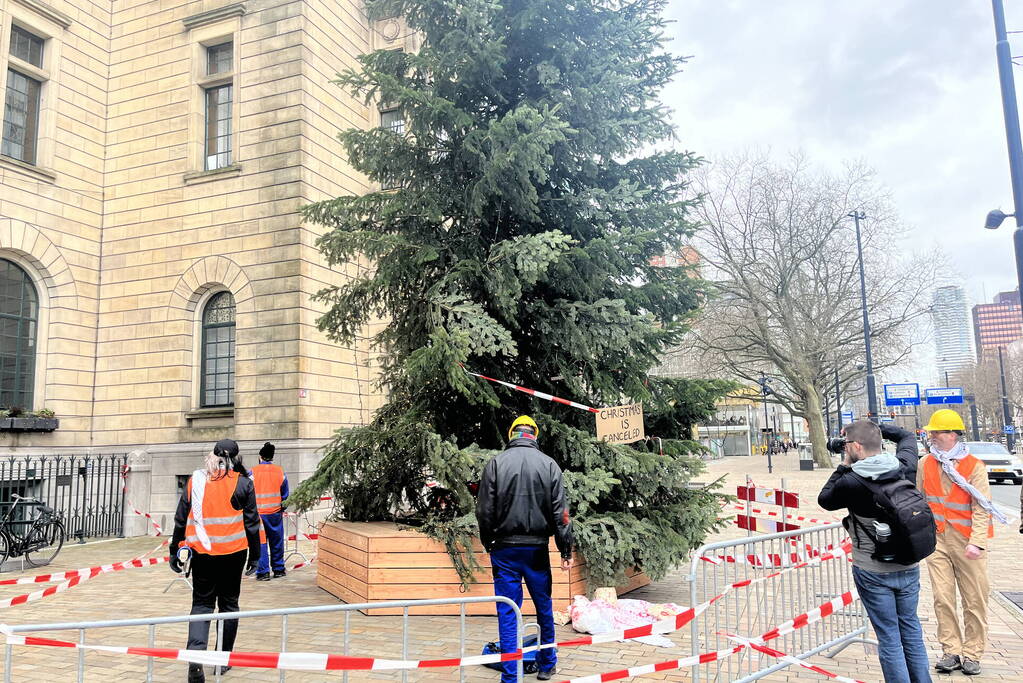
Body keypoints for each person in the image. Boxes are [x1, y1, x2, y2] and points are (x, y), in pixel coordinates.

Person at [818, 420, 931, 683]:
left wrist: (845, 463)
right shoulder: (904, 466)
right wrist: (876, 427)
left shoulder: (851, 482)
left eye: (847, 445)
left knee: (889, 637)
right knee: (911, 630)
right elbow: (905, 437)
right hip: (908, 564)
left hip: (872, 569)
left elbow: (825, 499)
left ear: (855, 446)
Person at [475, 415, 573, 682]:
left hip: (504, 551)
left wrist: (488, 542)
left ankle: (511, 676)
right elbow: (562, 514)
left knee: (508, 611)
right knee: (544, 606)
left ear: (512, 435)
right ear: (535, 436)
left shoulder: (495, 464)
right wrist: (565, 550)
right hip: (537, 551)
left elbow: (484, 511)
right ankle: (546, 664)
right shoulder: (549, 465)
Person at [918, 409, 1005, 676]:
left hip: (968, 542)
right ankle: (951, 651)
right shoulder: (926, 463)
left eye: (937, 432)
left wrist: (977, 543)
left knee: (974, 600)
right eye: (931, 432)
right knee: (942, 598)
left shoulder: (973, 465)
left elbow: (982, 507)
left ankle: (972, 653)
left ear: (953, 435)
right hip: (938, 540)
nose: (931, 436)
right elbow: (920, 501)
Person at [170, 439, 262, 683]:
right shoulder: (243, 484)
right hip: (233, 554)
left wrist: (174, 550)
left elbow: (180, 520)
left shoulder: (195, 482)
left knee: (201, 605)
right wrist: (256, 555)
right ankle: (222, 660)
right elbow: (252, 523)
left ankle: (196, 659)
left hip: (201, 555)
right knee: (229, 606)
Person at [251, 442, 290, 581]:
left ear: (260, 456)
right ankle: (279, 569)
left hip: (258, 515)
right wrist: (281, 508)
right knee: (277, 541)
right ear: (272, 457)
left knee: (261, 543)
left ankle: (263, 572)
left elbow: (246, 493)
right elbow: (285, 494)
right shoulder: (280, 471)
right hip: (275, 513)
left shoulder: (252, 472)